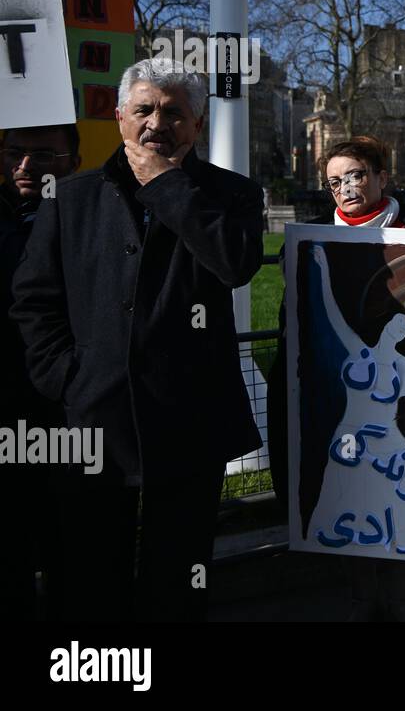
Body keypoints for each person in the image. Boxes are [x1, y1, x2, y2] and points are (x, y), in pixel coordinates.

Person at [11, 57, 263, 621]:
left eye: (175, 113)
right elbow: (34, 301)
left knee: (177, 573)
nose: (158, 123)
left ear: (197, 126)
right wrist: (68, 378)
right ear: (121, 116)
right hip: (90, 417)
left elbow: (234, 264)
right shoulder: (70, 197)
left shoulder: (234, 195)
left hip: (190, 419)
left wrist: (166, 185)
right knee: (88, 571)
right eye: (145, 109)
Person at [268, 136, 405, 621]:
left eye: (357, 175)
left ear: (381, 177)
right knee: (351, 501)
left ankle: (404, 596)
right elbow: (305, 319)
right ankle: (361, 597)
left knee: (402, 502)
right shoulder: (312, 242)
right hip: (341, 399)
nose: (347, 188)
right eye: (335, 182)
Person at [0, 123, 81, 619]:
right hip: (6, 406)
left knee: (72, 545)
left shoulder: (95, 213)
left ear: (73, 159)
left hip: (73, 411)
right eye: (15, 153)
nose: (26, 167)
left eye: (44, 155)